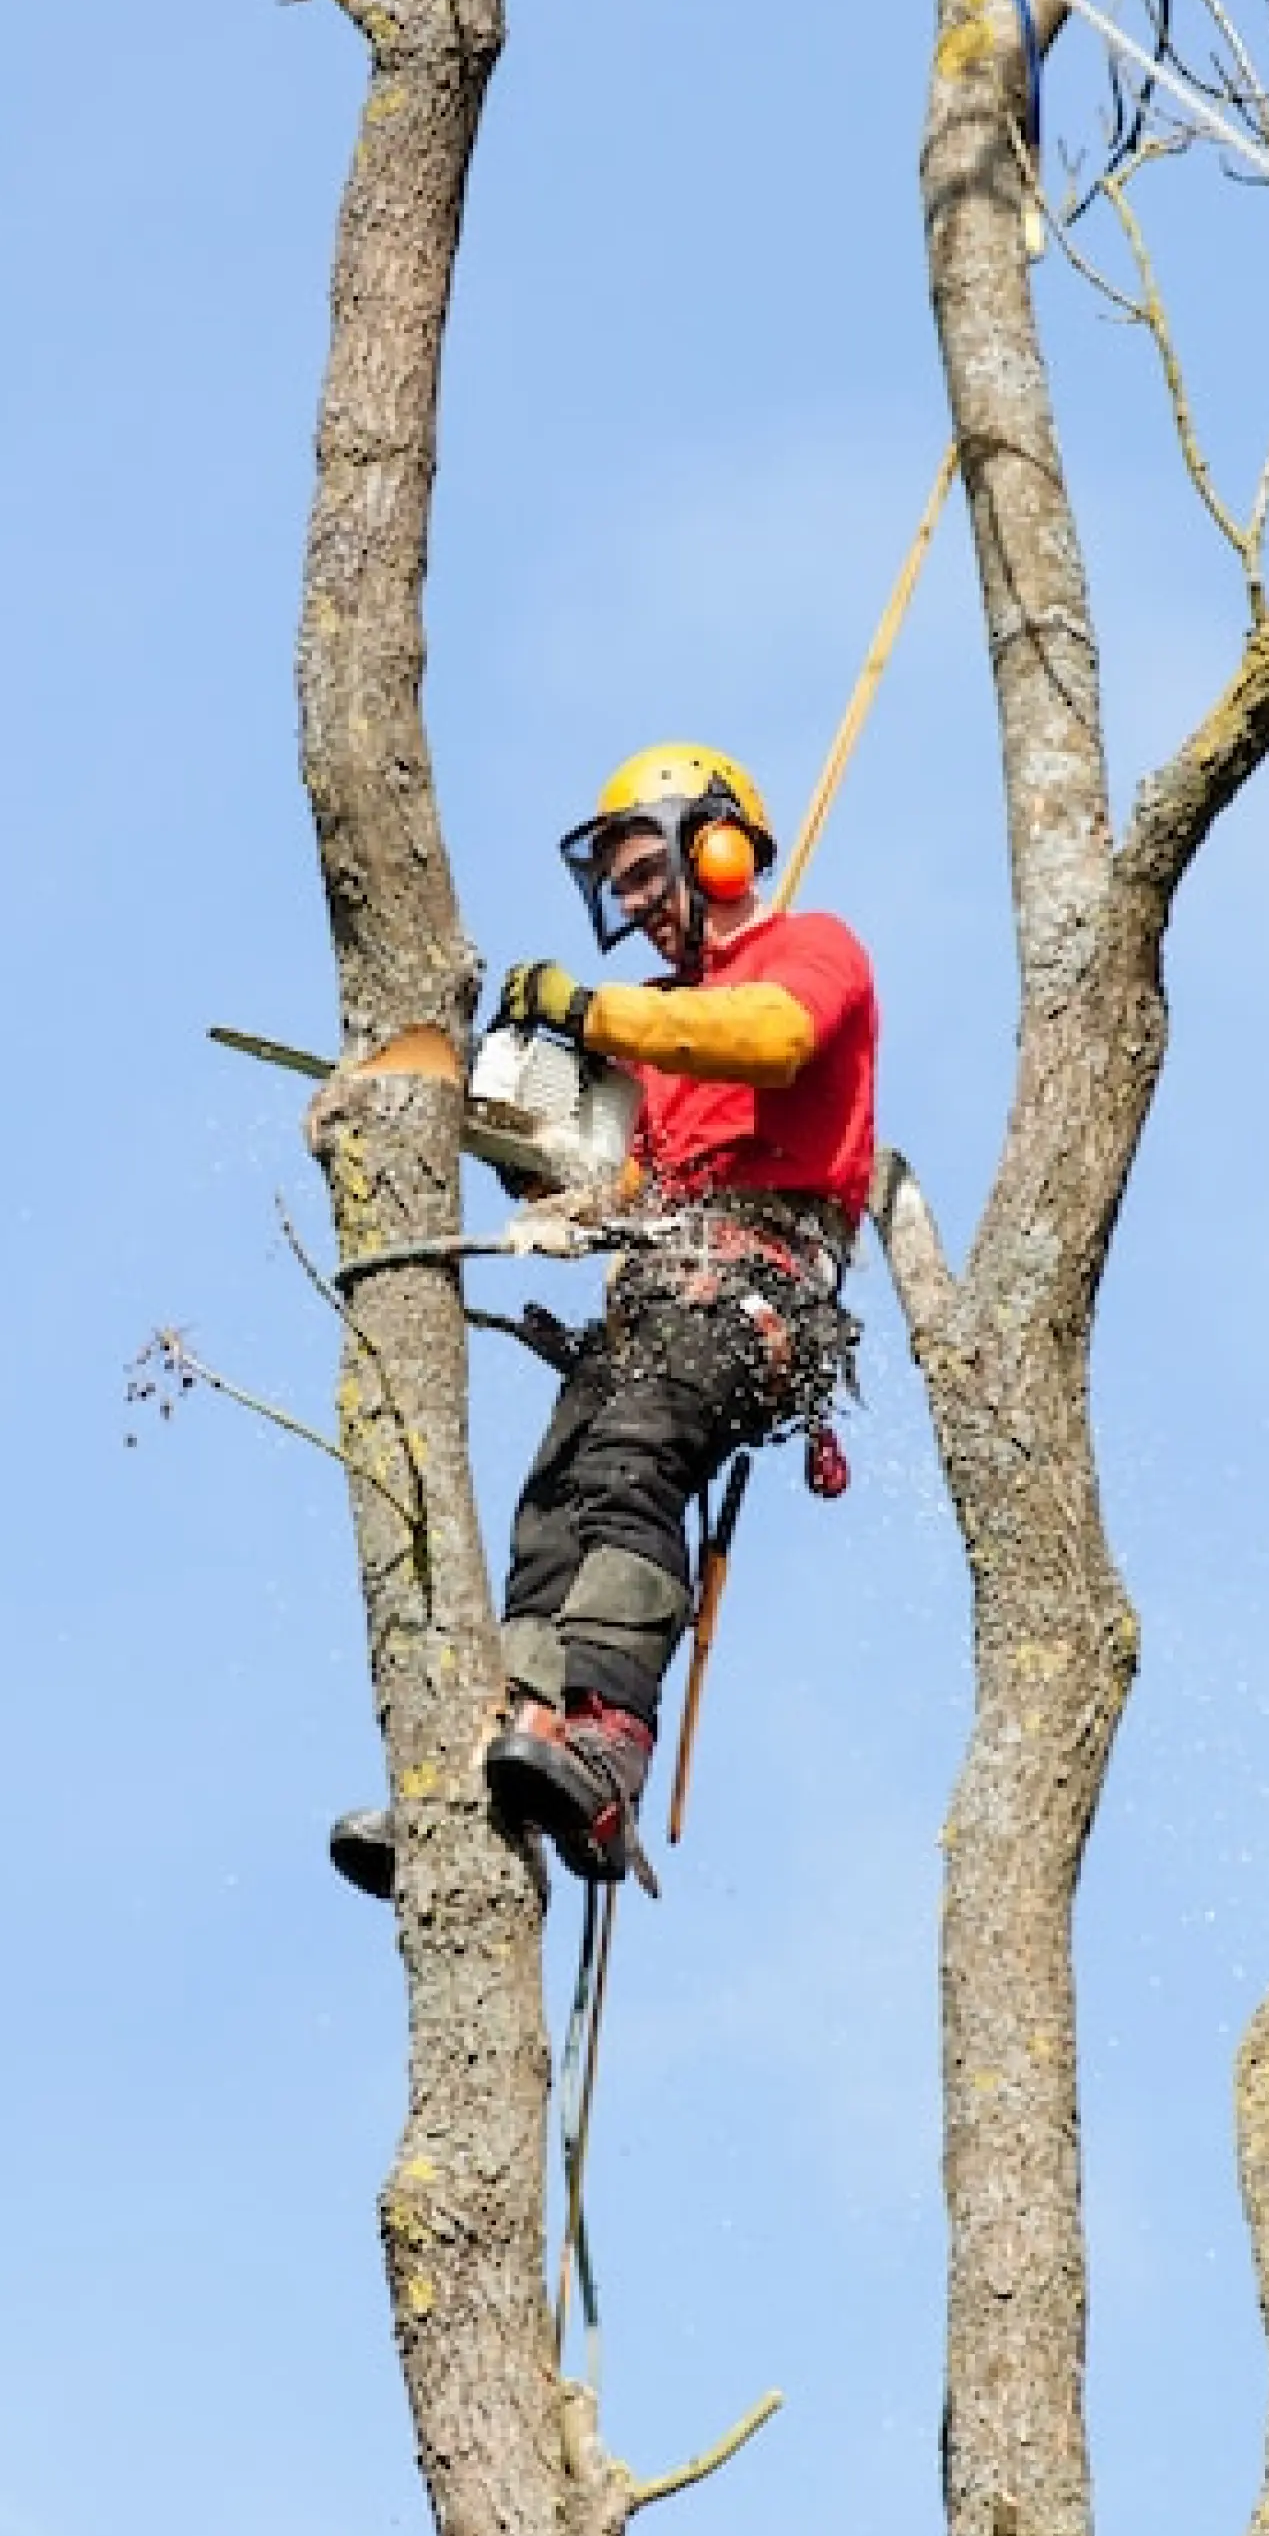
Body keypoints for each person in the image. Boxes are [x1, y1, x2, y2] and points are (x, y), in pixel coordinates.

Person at [329, 742, 877, 1900]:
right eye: (618, 883)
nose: (631, 903)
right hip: (656, 1292)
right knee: (556, 1500)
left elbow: (771, 1040)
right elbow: (630, 1178)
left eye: (643, 871)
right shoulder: (657, 1027)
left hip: (757, 1284)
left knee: (633, 1462)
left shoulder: (807, 951)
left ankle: (607, 1732)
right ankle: (502, 1752)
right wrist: (545, 1165)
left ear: (716, 845)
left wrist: (594, 1013)